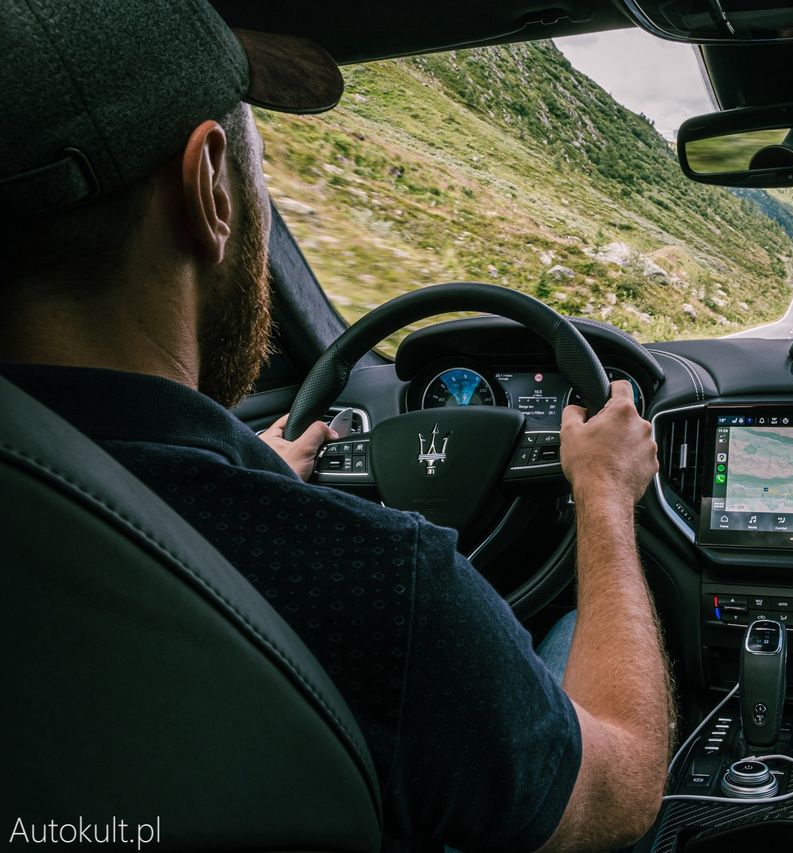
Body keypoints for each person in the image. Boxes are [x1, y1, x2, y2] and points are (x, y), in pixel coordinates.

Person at [0, 2, 672, 851]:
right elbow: (616, 794)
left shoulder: (82, 508)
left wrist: (249, 475)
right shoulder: (378, 583)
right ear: (210, 185)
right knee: (572, 632)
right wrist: (606, 495)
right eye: (258, 167)